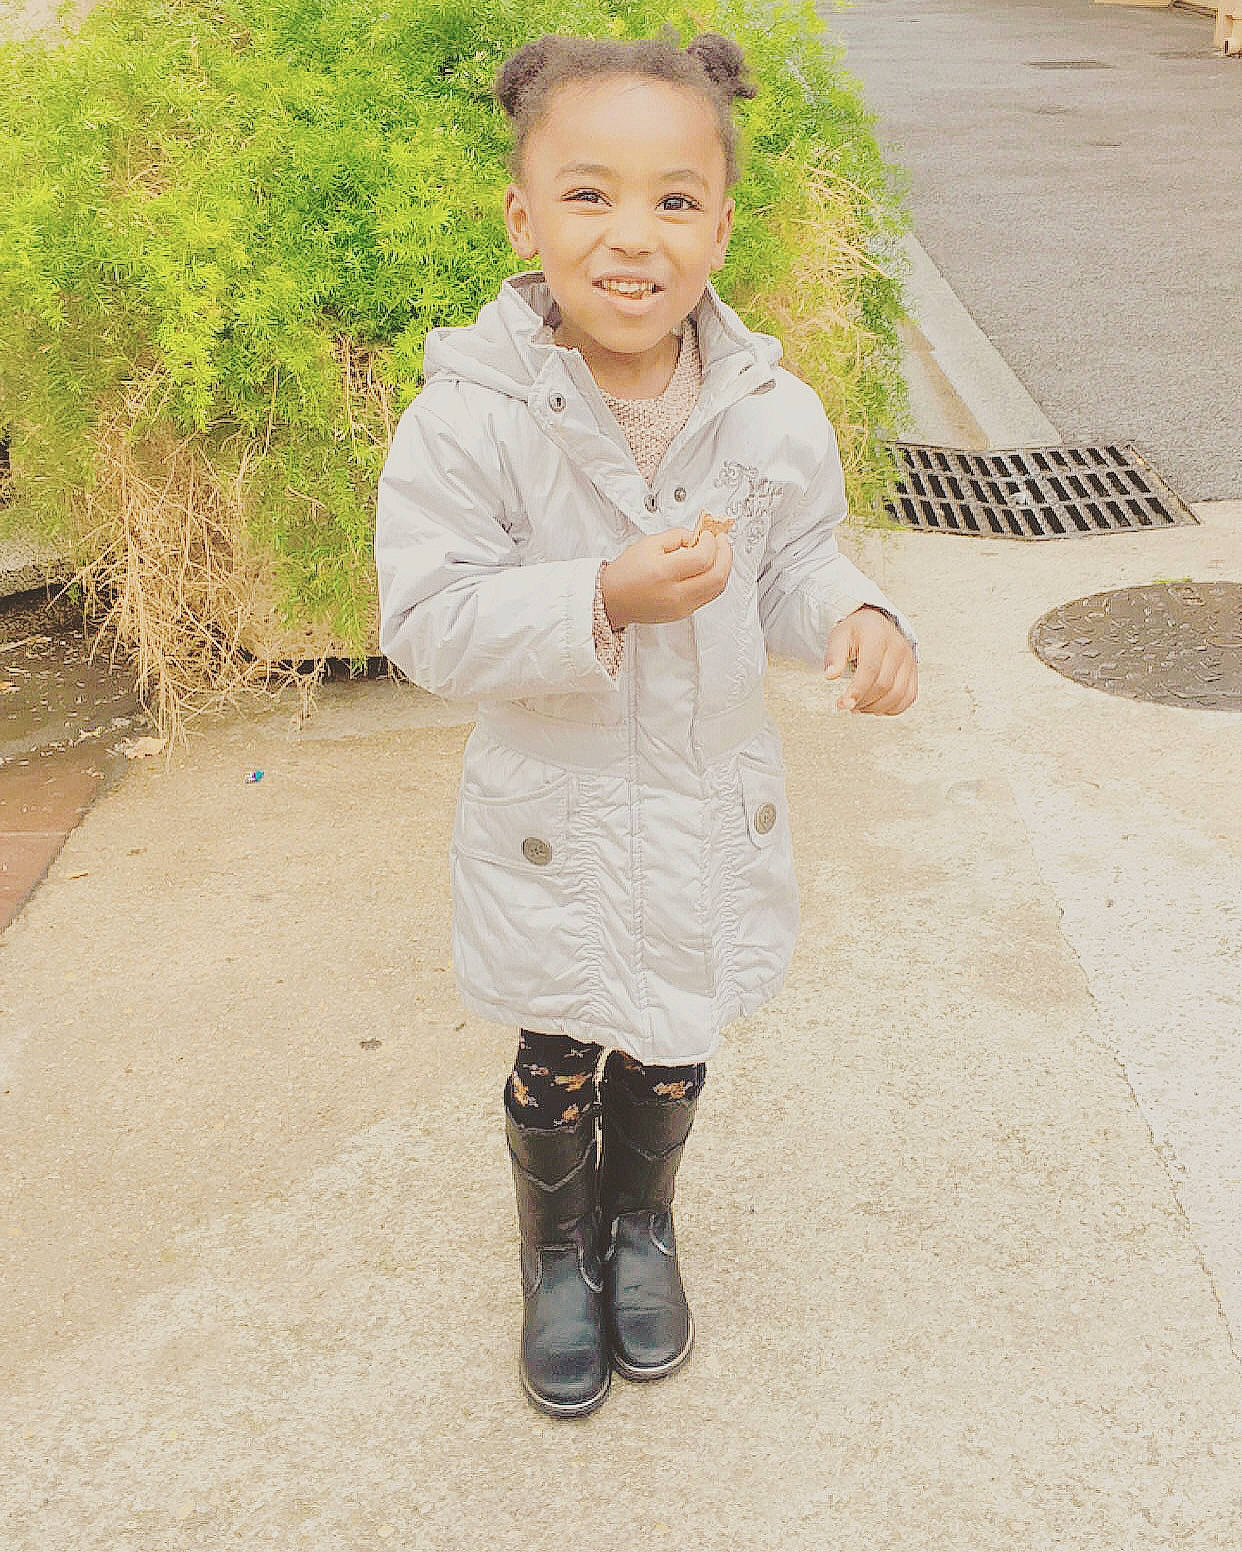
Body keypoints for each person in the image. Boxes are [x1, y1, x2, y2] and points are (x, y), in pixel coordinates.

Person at [374, 30, 918, 1420]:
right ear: (522, 215)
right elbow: (428, 620)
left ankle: (641, 1226)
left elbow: (799, 561)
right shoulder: (470, 421)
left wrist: (857, 617)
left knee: (674, 1027)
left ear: (721, 226)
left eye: (674, 201)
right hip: (555, 817)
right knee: (560, 1034)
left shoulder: (768, 410)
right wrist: (600, 595)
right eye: (587, 194)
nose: (632, 238)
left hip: (700, 795)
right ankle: (556, 1247)